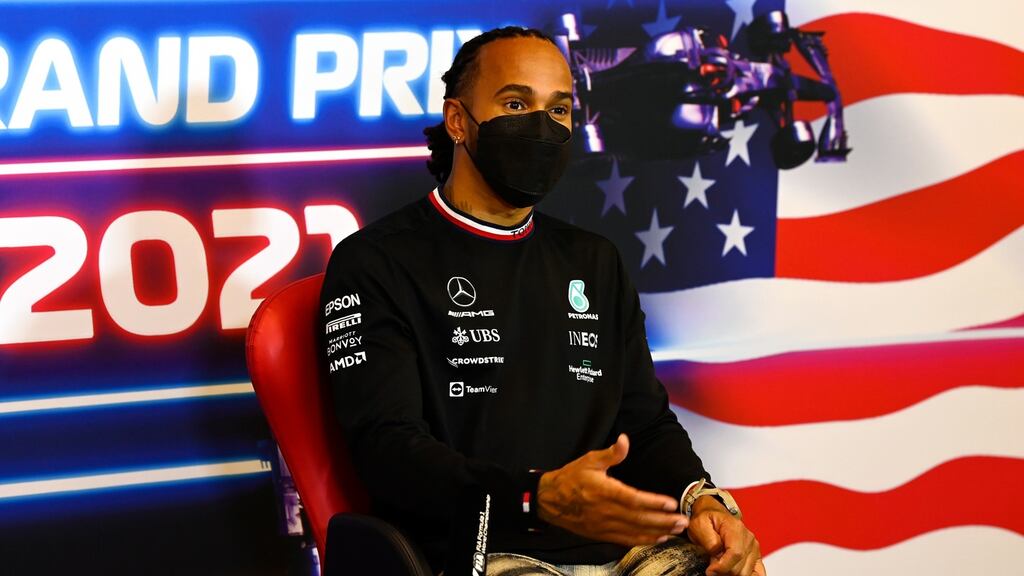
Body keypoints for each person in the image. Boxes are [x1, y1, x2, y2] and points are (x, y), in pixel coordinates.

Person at [318, 25, 765, 576]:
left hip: (620, 556)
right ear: (459, 120)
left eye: (559, 110)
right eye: (515, 102)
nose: (542, 126)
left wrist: (704, 499)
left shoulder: (594, 261)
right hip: (479, 556)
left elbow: (643, 422)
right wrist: (533, 496)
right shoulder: (375, 263)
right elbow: (388, 453)